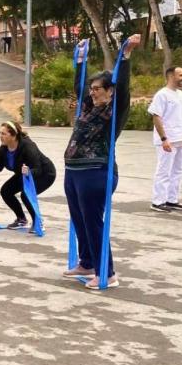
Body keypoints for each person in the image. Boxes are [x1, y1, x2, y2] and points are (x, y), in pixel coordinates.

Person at [63, 34, 140, 290]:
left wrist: (125, 57)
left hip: (96, 172)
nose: (93, 93)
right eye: (92, 89)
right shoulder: (88, 107)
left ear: (110, 91)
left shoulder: (113, 113)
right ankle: (87, 262)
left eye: (98, 89)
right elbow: (79, 86)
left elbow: (125, 89)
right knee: (80, 218)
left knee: (93, 220)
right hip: (74, 170)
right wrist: (80, 61)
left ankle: (107, 272)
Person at [0, 121, 57, 232]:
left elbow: (37, 168)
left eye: (4, 134)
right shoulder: (3, 149)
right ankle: (21, 219)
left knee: (26, 195)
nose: (0, 137)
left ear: (13, 135)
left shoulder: (27, 146)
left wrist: (28, 172)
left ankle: (38, 222)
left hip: (44, 174)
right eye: (0, 133)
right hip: (24, 174)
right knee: (6, 191)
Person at [148, 66, 182, 212]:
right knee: (164, 171)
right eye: (180, 75)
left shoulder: (181, 95)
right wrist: (164, 139)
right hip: (168, 140)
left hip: (181, 138)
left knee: (178, 170)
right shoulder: (162, 95)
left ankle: (171, 199)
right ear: (170, 76)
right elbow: (156, 117)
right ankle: (158, 201)